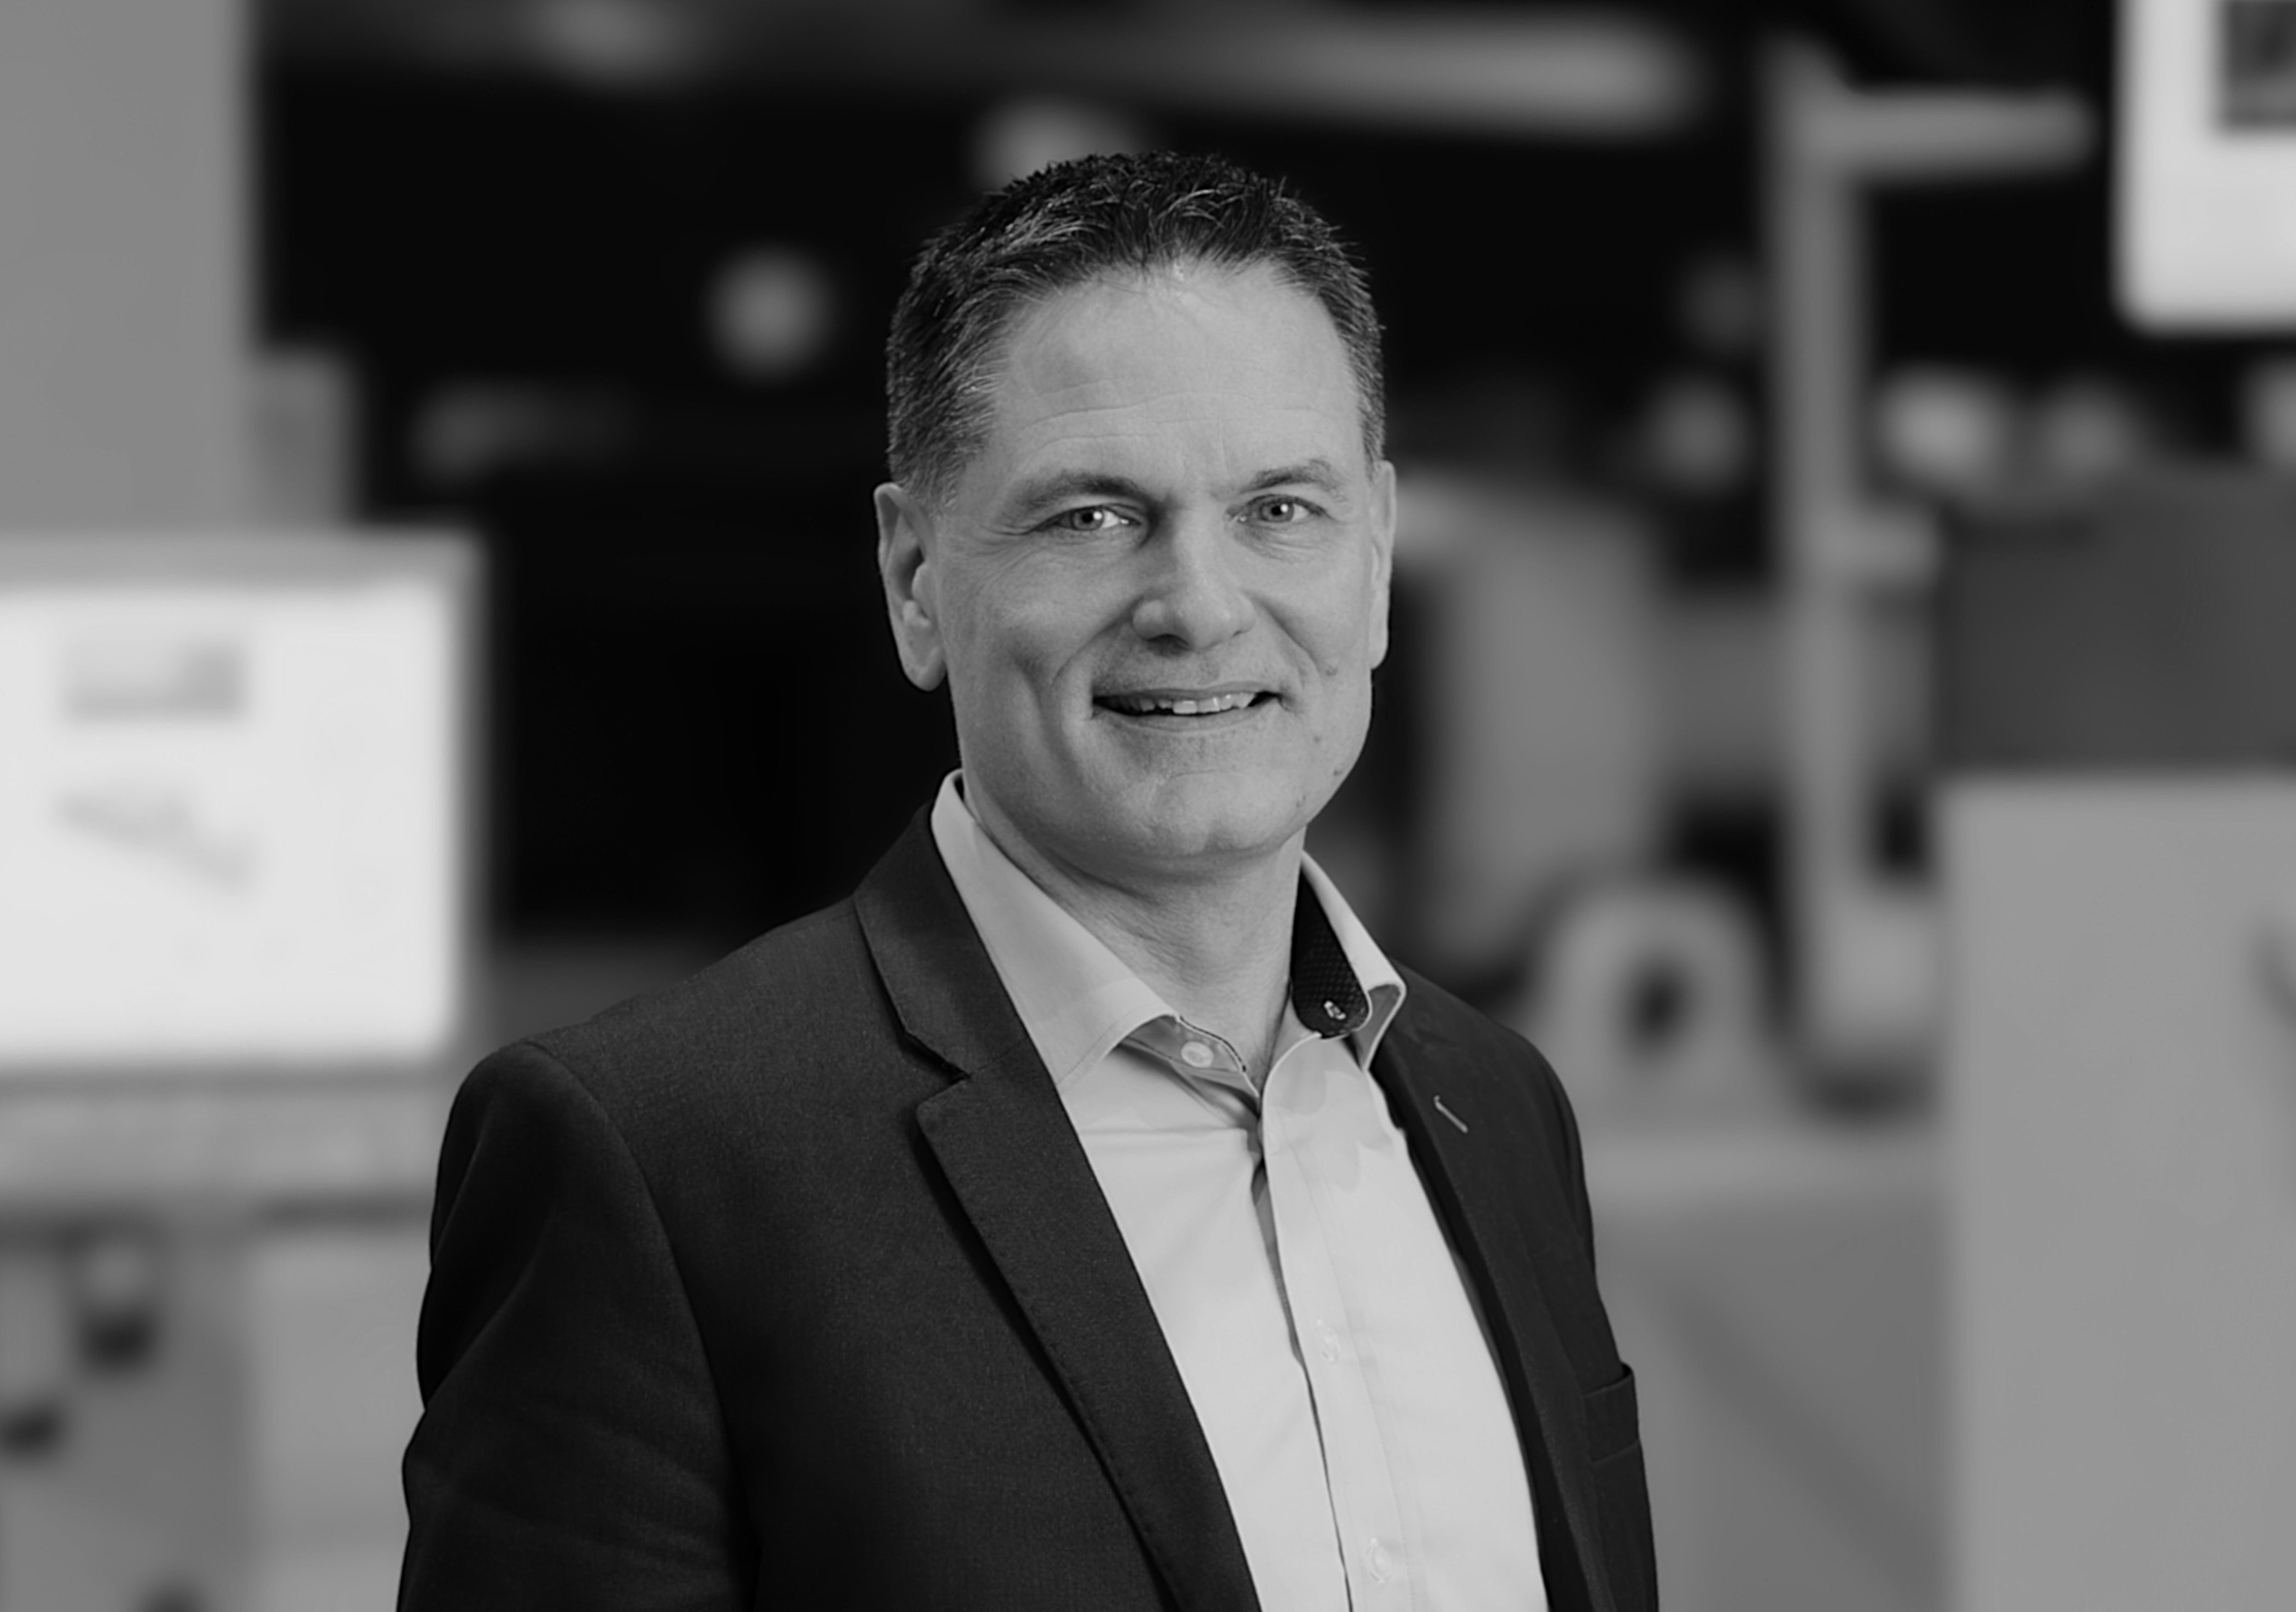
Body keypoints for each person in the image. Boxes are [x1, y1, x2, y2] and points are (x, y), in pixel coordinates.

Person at [399, 151, 1654, 1612]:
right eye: (1093, 516)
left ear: (1374, 558)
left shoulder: (1495, 1104)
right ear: (914, 580)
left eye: (1279, 509)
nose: (1198, 604)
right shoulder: (656, 1162)